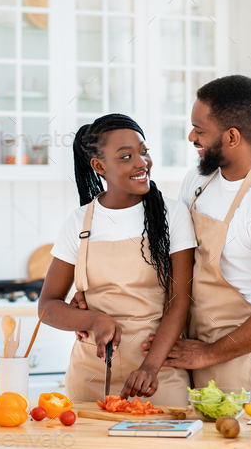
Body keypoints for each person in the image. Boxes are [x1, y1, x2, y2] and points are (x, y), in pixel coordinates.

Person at [143, 75, 251, 406]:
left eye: (199, 130)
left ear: (232, 136)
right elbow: (178, 261)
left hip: (250, 354)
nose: (191, 137)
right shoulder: (199, 179)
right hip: (197, 343)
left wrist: (209, 354)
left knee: (239, 442)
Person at [38, 114, 196, 405]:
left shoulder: (172, 216)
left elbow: (179, 302)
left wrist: (150, 367)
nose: (141, 163)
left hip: (157, 372)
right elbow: (47, 306)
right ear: (99, 166)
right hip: (90, 375)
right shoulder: (78, 223)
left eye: (144, 151)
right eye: (126, 156)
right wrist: (92, 319)